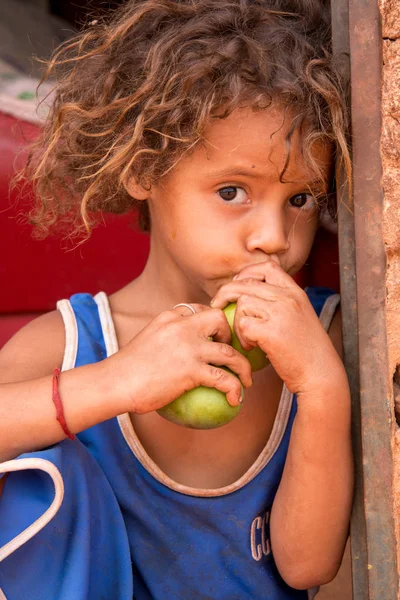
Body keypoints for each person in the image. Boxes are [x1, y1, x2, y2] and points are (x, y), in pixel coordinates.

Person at [0, 1, 353, 598]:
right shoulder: (70, 345)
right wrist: (118, 381)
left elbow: (306, 567)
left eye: (300, 200)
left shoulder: (328, 338)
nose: (273, 237)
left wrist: (321, 389)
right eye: (233, 190)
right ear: (144, 169)